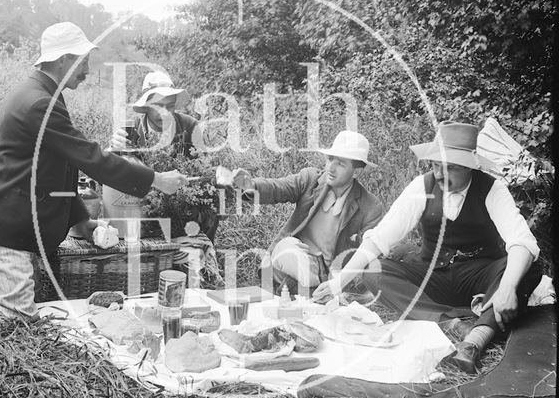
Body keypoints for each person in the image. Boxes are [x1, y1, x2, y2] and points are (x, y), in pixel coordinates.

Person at [0, 22, 188, 320]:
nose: (86, 71)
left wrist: (82, 221)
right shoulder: (38, 102)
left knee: (22, 320)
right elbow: (89, 157)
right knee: (16, 324)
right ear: (64, 60)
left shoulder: (44, 94)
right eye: (83, 62)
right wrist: (157, 180)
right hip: (4, 232)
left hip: (14, 231)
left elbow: (59, 171)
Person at [312, 121, 543, 374]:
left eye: (451, 167)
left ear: (469, 167)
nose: (441, 175)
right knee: (372, 269)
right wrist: (339, 283)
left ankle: (476, 338)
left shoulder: (491, 189)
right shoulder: (422, 186)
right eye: (436, 165)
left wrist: (508, 287)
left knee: (529, 268)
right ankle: (453, 323)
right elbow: (380, 238)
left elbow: (522, 242)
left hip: (480, 276)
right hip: (434, 275)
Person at [231, 130, 384, 297]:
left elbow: (370, 252)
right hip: (295, 258)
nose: (331, 168)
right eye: (330, 159)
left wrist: (343, 280)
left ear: (356, 172)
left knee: (361, 289)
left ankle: (304, 289)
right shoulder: (310, 179)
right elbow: (278, 188)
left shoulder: (370, 207)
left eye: (341, 164)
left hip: (330, 271)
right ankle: (315, 291)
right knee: (286, 248)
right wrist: (250, 185)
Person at [112, 70, 219, 242]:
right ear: (146, 106)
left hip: (183, 201)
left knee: (214, 200)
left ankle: (201, 252)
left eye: (169, 105)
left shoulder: (189, 126)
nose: (164, 112)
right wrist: (113, 149)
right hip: (144, 203)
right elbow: (111, 172)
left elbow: (204, 171)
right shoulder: (131, 130)